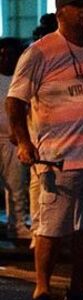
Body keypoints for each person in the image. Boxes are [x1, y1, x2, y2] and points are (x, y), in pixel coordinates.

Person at [8, 0, 83, 300]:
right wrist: (24, 142)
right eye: (77, 6)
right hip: (58, 158)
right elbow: (14, 101)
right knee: (51, 229)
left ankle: (78, 290)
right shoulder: (39, 52)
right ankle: (42, 291)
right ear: (61, 13)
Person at [0, 38, 32, 246]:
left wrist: (22, 135)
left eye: (10, 55)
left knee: (16, 185)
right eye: (2, 55)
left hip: (13, 139)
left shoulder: (22, 79)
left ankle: (17, 225)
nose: (6, 59)